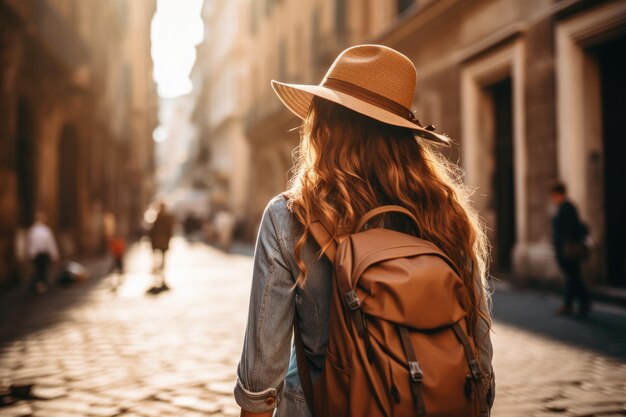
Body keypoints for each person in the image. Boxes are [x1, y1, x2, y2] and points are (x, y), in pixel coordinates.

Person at [235, 45, 494, 417]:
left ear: (323, 126)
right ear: (405, 138)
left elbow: (261, 381)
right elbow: (480, 362)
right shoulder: (446, 215)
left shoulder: (291, 217)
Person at [550, 182, 591, 318]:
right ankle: (570, 304)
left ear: (558, 194)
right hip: (565, 249)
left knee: (574, 278)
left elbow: (568, 230)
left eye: (553, 195)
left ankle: (581, 303)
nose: (552, 198)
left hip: (568, 250)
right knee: (572, 277)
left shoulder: (566, 208)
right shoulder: (563, 207)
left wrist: (565, 247)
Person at [27, 212, 59, 294]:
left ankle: (39, 285)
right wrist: (54, 254)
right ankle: (40, 285)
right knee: (42, 269)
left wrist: (31, 254)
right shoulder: (44, 230)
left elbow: (30, 243)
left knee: (39, 269)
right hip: (41, 254)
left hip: (38, 254)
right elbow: (50, 243)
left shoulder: (33, 230)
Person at [148, 202, 174, 291]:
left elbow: (153, 232)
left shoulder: (159, 217)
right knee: (160, 261)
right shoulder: (161, 218)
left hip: (159, 243)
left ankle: (159, 276)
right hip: (161, 243)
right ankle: (160, 277)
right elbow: (169, 232)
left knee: (159, 261)